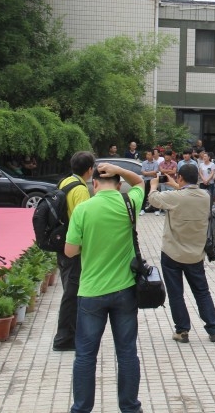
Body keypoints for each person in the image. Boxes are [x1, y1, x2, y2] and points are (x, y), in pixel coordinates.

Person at [65, 162, 144, 413]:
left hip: (91, 291)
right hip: (125, 289)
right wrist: (119, 169)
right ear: (119, 185)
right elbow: (140, 182)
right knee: (127, 352)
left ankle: (81, 409)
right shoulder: (129, 203)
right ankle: (130, 407)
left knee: (85, 355)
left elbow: (70, 251)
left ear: (94, 184)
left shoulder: (83, 209)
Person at [148, 164, 215, 343]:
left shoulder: (174, 197)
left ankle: (182, 331)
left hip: (172, 252)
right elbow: (188, 194)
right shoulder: (206, 196)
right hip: (195, 254)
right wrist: (176, 185)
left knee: (176, 294)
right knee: (202, 292)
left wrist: (154, 185)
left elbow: (153, 199)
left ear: (180, 177)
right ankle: (213, 329)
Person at [53, 151, 95, 352]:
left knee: (69, 290)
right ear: (90, 170)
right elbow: (82, 221)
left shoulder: (66, 181)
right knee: (71, 294)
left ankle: (70, 334)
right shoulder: (81, 190)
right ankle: (64, 338)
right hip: (73, 248)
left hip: (62, 243)